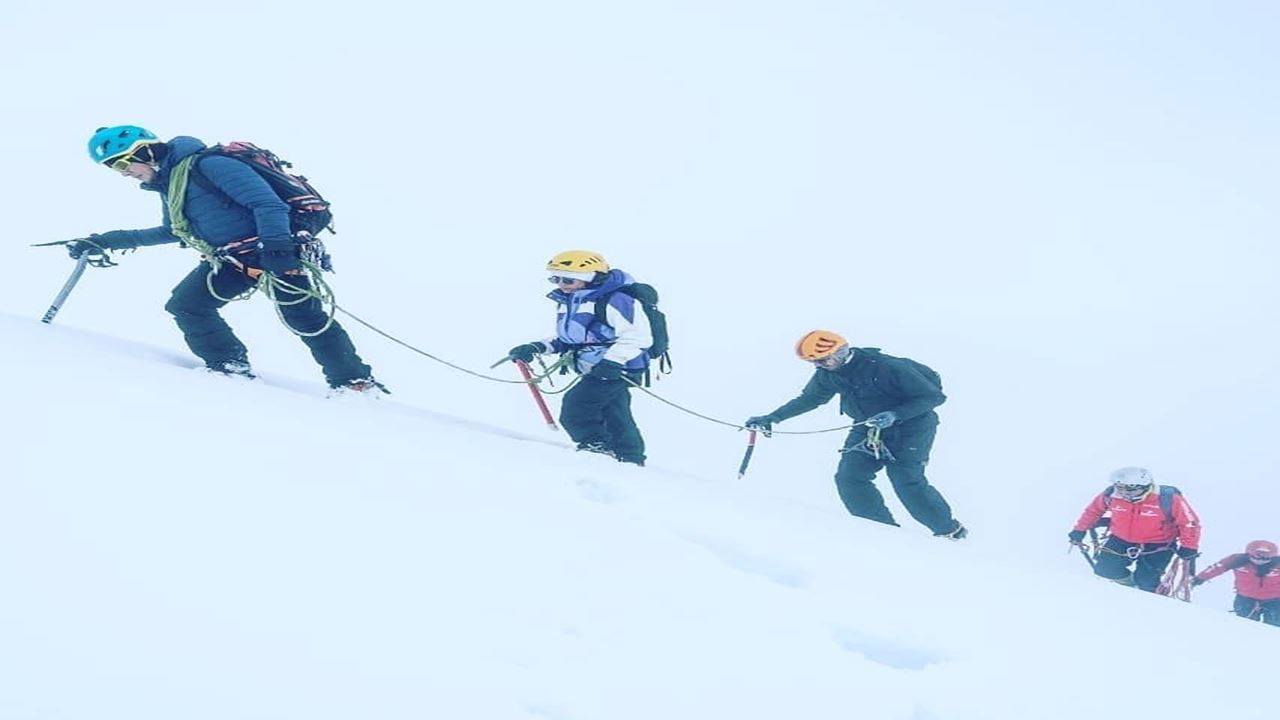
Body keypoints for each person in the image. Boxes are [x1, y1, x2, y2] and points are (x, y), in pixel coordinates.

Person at [74, 125, 382, 394]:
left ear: (143, 151)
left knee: (304, 317)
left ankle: (354, 383)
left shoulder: (211, 165)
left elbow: (268, 204)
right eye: (116, 168)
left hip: (274, 249)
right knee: (187, 305)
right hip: (233, 259)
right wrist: (107, 240)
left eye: (123, 164)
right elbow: (175, 231)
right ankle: (230, 367)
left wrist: (277, 250)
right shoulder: (171, 184)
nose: (125, 173)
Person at [744, 331, 966, 539]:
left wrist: (895, 414)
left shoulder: (888, 367)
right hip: (867, 427)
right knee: (850, 478)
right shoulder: (827, 374)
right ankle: (882, 531)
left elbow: (933, 397)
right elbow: (810, 399)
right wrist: (773, 417)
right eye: (813, 362)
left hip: (912, 428)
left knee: (906, 481)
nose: (817, 366)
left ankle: (949, 531)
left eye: (822, 360)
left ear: (840, 352)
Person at [507, 250, 652, 466]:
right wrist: (537, 347)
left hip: (616, 368)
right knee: (614, 413)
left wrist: (612, 362)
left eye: (567, 279)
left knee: (576, 407)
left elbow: (638, 336)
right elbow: (573, 337)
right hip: (595, 366)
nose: (560, 284)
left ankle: (595, 447)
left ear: (591, 277)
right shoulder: (572, 300)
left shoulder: (616, 300)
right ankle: (630, 458)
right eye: (555, 278)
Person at [1068, 467, 1200, 592]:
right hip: (1120, 539)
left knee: (1146, 581)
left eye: (1131, 490)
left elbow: (1189, 522)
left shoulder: (1168, 498)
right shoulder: (1111, 495)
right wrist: (1080, 530)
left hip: (1158, 545)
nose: (1125, 494)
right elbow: (1093, 511)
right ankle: (1131, 589)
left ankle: (1152, 599)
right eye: (1121, 489)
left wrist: (1189, 546)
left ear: (1145, 487)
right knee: (1104, 570)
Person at [1192, 540, 1280, 626]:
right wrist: (1200, 578)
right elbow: (1217, 567)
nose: (1260, 560)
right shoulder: (1237, 560)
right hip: (1245, 599)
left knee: (1274, 626)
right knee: (1245, 625)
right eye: (1255, 557)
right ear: (1248, 554)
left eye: (1265, 558)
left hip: (1275, 600)